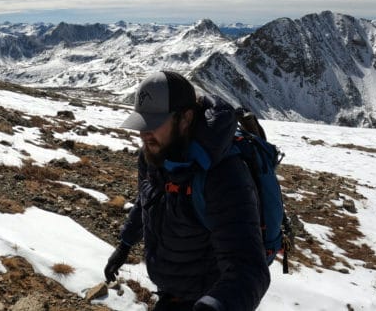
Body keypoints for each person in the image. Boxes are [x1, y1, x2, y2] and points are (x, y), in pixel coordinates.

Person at [104, 71, 270, 311]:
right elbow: (147, 199)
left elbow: (249, 269)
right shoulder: (152, 155)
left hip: (206, 298)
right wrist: (125, 244)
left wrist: (215, 305)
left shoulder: (223, 175)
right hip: (170, 292)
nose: (144, 133)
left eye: (154, 123)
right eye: (142, 123)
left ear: (185, 118)